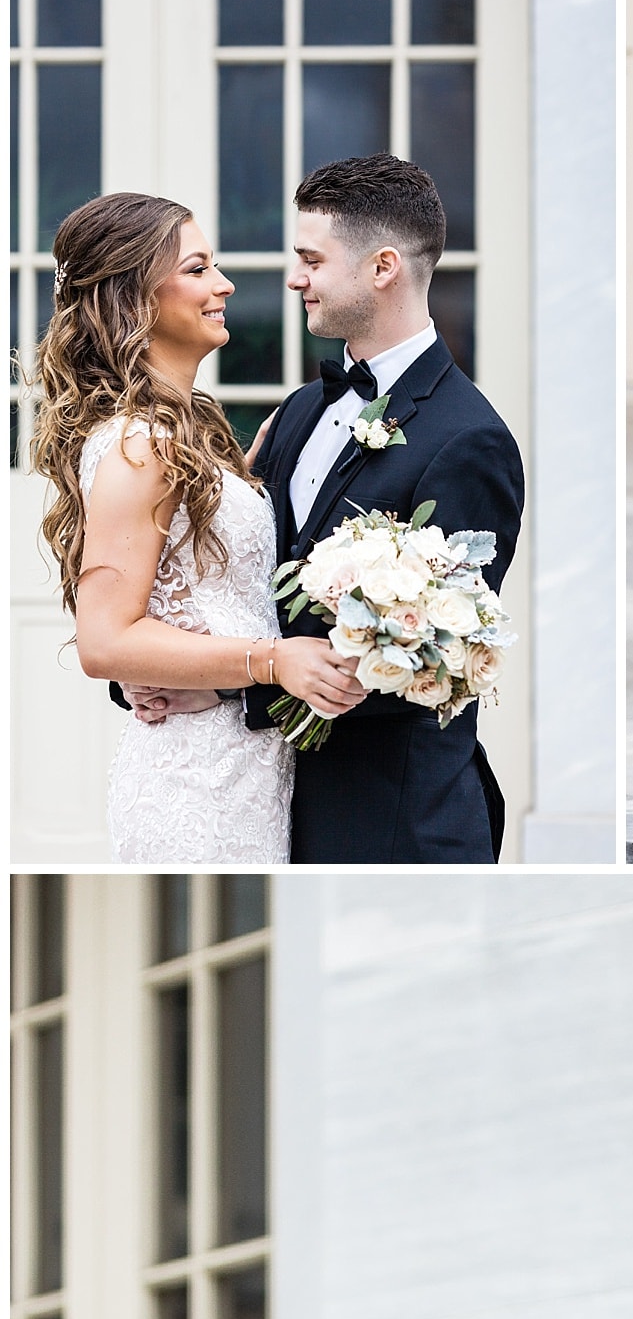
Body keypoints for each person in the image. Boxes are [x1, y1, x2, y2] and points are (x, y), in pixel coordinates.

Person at [30, 194, 361, 868]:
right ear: (135, 298)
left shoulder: (188, 438)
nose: (224, 285)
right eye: (198, 269)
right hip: (194, 788)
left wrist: (248, 477)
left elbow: (197, 587)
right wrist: (272, 662)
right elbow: (105, 639)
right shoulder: (137, 445)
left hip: (246, 768)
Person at [232, 154, 525, 863]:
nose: (295, 279)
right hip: (272, 805)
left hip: (397, 826)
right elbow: (243, 579)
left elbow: (438, 658)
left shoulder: (468, 439)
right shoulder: (303, 410)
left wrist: (224, 689)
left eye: (310, 259)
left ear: (382, 266)